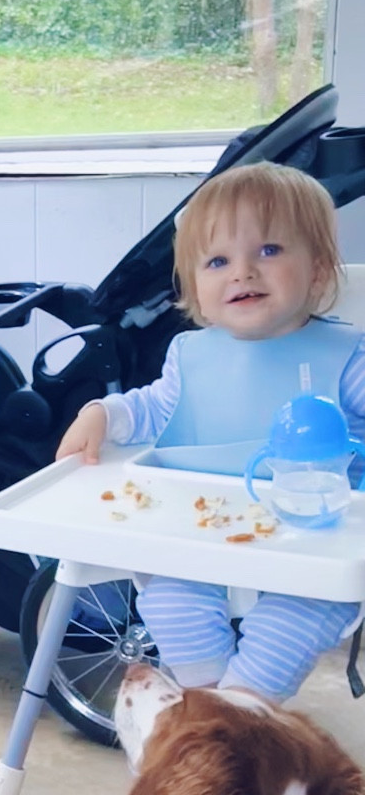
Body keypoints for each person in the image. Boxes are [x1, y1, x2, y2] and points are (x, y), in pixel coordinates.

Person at [56, 163, 361, 701]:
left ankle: (242, 709)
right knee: (169, 590)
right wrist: (101, 414)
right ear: (194, 286)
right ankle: (207, 701)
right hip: (201, 528)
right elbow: (152, 409)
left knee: (293, 619)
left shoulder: (349, 359)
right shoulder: (189, 356)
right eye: (218, 260)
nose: (242, 272)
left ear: (316, 270)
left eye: (269, 250)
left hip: (315, 539)